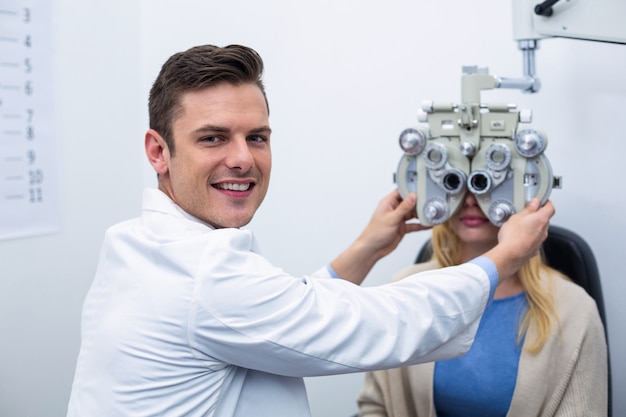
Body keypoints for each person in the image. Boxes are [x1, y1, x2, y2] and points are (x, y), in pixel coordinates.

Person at [66, 44, 554, 417]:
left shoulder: (138, 245)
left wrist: (368, 247)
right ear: (158, 152)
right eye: (213, 138)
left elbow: (282, 316)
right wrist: (503, 258)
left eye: (256, 137)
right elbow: (369, 325)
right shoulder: (204, 276)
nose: (242, 158)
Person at [357, 192, 607, 417]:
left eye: (486, 183)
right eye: (457, 182)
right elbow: (375, 406)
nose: (470, 199)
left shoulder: (575, 310)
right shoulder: (405, 289)